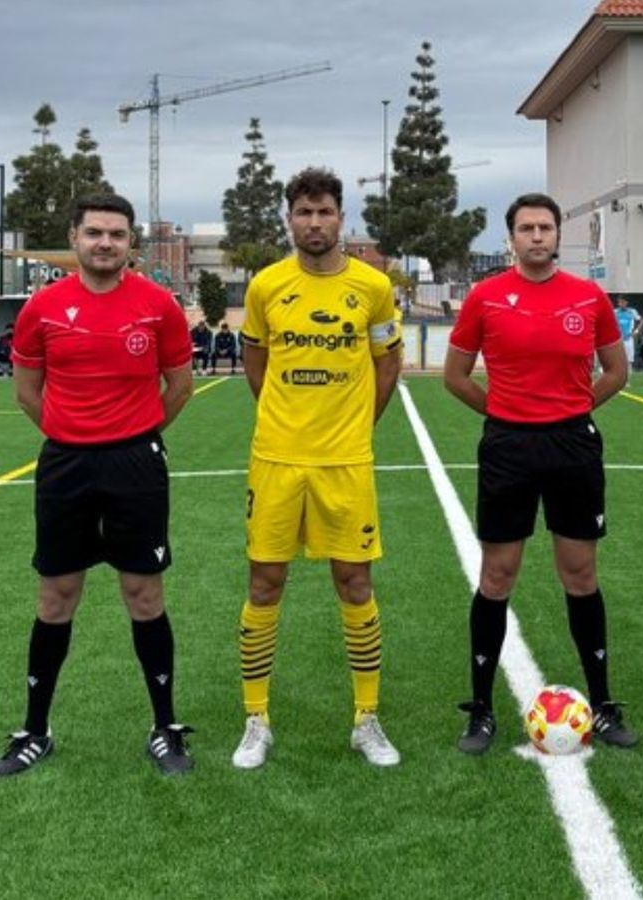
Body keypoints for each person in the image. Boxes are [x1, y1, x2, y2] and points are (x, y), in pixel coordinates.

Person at [0, 194, 197, 778]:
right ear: (74, 238)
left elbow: (179, 386)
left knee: (144, 596)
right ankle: (34, 730)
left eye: (117, 234)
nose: (106, 243)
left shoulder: (158, 306)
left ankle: (165, 727)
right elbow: (27, 391)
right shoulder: (44, 308)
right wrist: (70, 433)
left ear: (132, 243)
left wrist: (136, 434)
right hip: (65, 466)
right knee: (56, 598)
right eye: (95, 233)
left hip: (135, 465)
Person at [445, 192, 638, 754]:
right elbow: (457, 375)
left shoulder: (588, 297)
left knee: (579, 574)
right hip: (508, 446)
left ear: (557, 235)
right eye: (526, 228)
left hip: (573, 444)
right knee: (497, 575)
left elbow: (617, 370)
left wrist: (572, 409)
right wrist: (504, 412)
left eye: (545, 227)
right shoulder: (485, 297)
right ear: (511, 238)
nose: (536, 236)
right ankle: (481, 709)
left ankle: (601, 702)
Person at [231, 167, 404, 770]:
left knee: (355, 584)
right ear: (289, 219)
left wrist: (358, 427)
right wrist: (284, 420)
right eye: (303, 212)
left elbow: (388, 363)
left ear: (341, 217)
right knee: (264, 585)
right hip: (276, 459)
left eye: (324, 211)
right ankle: (257, 720)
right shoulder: (266, 287)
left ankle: (367, 718)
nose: (314, 222)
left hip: (345, 462)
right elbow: (256, 361)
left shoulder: (373, 287)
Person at [613, 297, 640, 368]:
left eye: (622, 302)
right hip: (618, 339)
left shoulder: (632, 311)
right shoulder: (615, 312)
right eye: (619, 302)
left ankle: (628, 377)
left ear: (626, 302)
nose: (620, 304)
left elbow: (642, 321)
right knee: (617, 359)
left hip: (628, 338)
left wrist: (636, 331)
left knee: (629, 360)